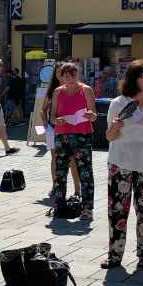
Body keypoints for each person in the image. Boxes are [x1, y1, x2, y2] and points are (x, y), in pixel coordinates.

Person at [102, 59, 143, 268]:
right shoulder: (118, 103)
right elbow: (109, 137)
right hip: (120, 161)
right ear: (134, 78)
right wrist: (114, 127)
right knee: (117, 210)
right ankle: (115, 254)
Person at [51, 61, 97, 222]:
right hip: (62, 134)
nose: (70, 79)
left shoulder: (86, 90)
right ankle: (59, 205)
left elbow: (94, 113)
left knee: (85, 171)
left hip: (82, 134)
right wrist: (56, 121)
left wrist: (90, 115)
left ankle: (87, 208)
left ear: (77, 75)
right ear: (61, 77)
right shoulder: (57, 92)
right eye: (66, 76)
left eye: (73, 75)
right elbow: (52, 115)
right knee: (60, 172)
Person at [42, 63, 81, 198]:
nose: (60, 74)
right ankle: (55, 185)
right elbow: (43, 109)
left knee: (72, 159)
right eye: (58, 72)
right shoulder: (53, 90)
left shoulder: (75, 88)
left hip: (71, 127)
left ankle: (77, 188)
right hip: (53, 127)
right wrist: (46, 122)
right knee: (55, 157)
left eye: (62, 72)